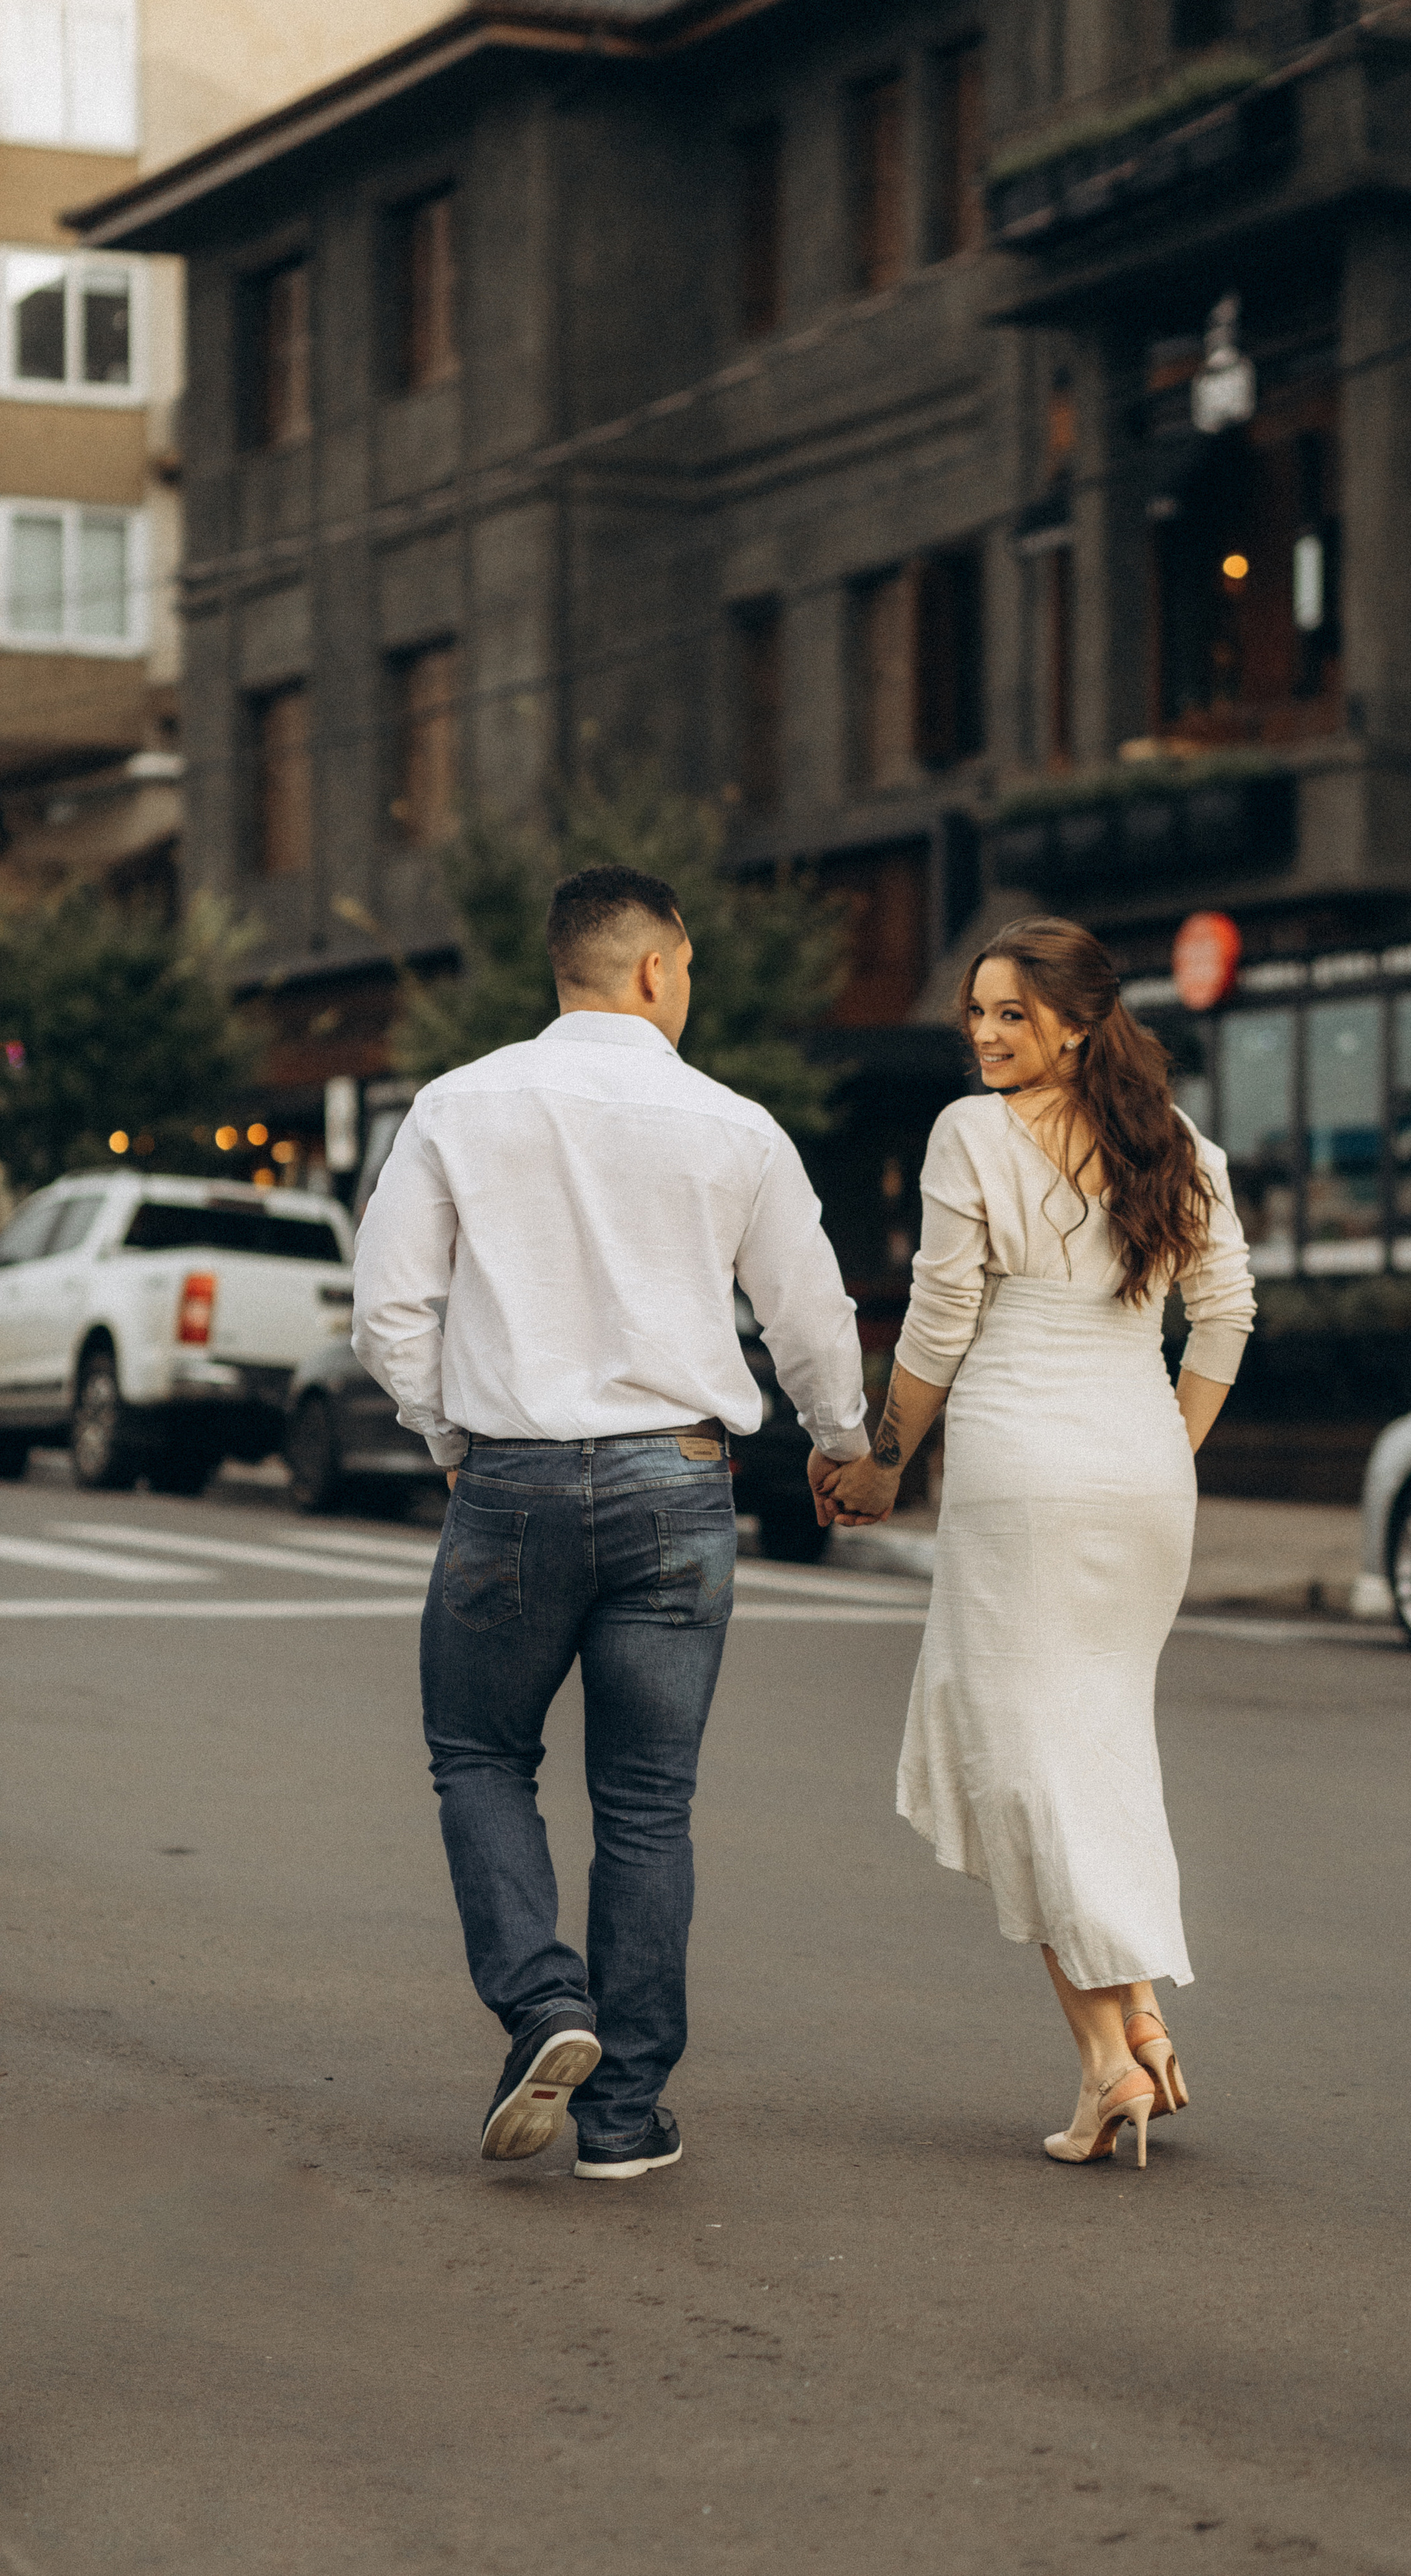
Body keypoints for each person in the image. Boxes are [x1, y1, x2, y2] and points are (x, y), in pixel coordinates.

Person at [353, 865, 870, 2178]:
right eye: (686, 968)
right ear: (655, 968)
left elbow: (387, 1311)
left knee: (480, 1755)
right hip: (679, 1486)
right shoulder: (736, 1126)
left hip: (515, 1481)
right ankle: (623, 2120)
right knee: (646, 1804)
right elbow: (809, 1317)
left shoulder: (457, 1105)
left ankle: (544, 2001)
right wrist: (842, 1445)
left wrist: (448, 1438)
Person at [815, 917, 1255, 2169]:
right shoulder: (1183, 1147)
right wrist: (1166, 1446)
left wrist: (881, 1462)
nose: (987, 1035)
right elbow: (1226, 1317)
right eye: (977, 1013)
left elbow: (941, 1319)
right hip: (1144, 1476)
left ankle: (1109, 2065)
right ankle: (1140, 2017)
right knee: (1095, 1747)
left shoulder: (973, 1136)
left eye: (1013, 1012)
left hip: (1021, 1477)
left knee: (1026, 1764)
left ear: (1080, 1021)